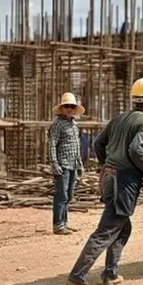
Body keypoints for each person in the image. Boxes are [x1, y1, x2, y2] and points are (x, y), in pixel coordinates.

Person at [65, 76, 143, 285]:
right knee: (107, 230)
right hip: (123, 182)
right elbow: (137, 150)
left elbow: (99, 143)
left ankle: (110, 274)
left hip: (109, 179)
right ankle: (76, 278)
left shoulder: (119, 118)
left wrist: (108, 165)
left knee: (123, 227)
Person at [48, 92, 85, 235]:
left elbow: (77, 147)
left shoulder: (74, 125)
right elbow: (52, 145)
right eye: (66, 106)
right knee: (61, 195)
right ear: (62, 108)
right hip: (62, 165)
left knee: (68, 195)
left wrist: (80, 164)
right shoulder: (57, 125)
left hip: (73, 165)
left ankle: (64, 223)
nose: (69, 108)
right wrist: (54, 164)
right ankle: (58, 225)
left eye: (71, 106)